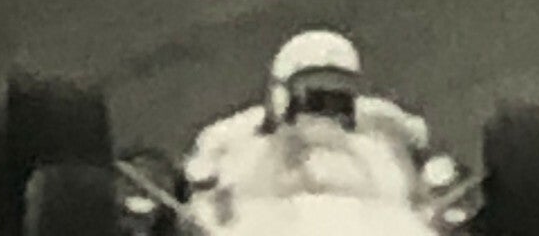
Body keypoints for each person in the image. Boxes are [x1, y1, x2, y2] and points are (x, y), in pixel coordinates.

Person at [184, 29, 437, 213]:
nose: (328, 111)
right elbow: (203, 181)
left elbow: (417, 139)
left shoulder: (380, 127)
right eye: (315, 99)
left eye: (340, 99)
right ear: (282, 96)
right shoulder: (233, 138)